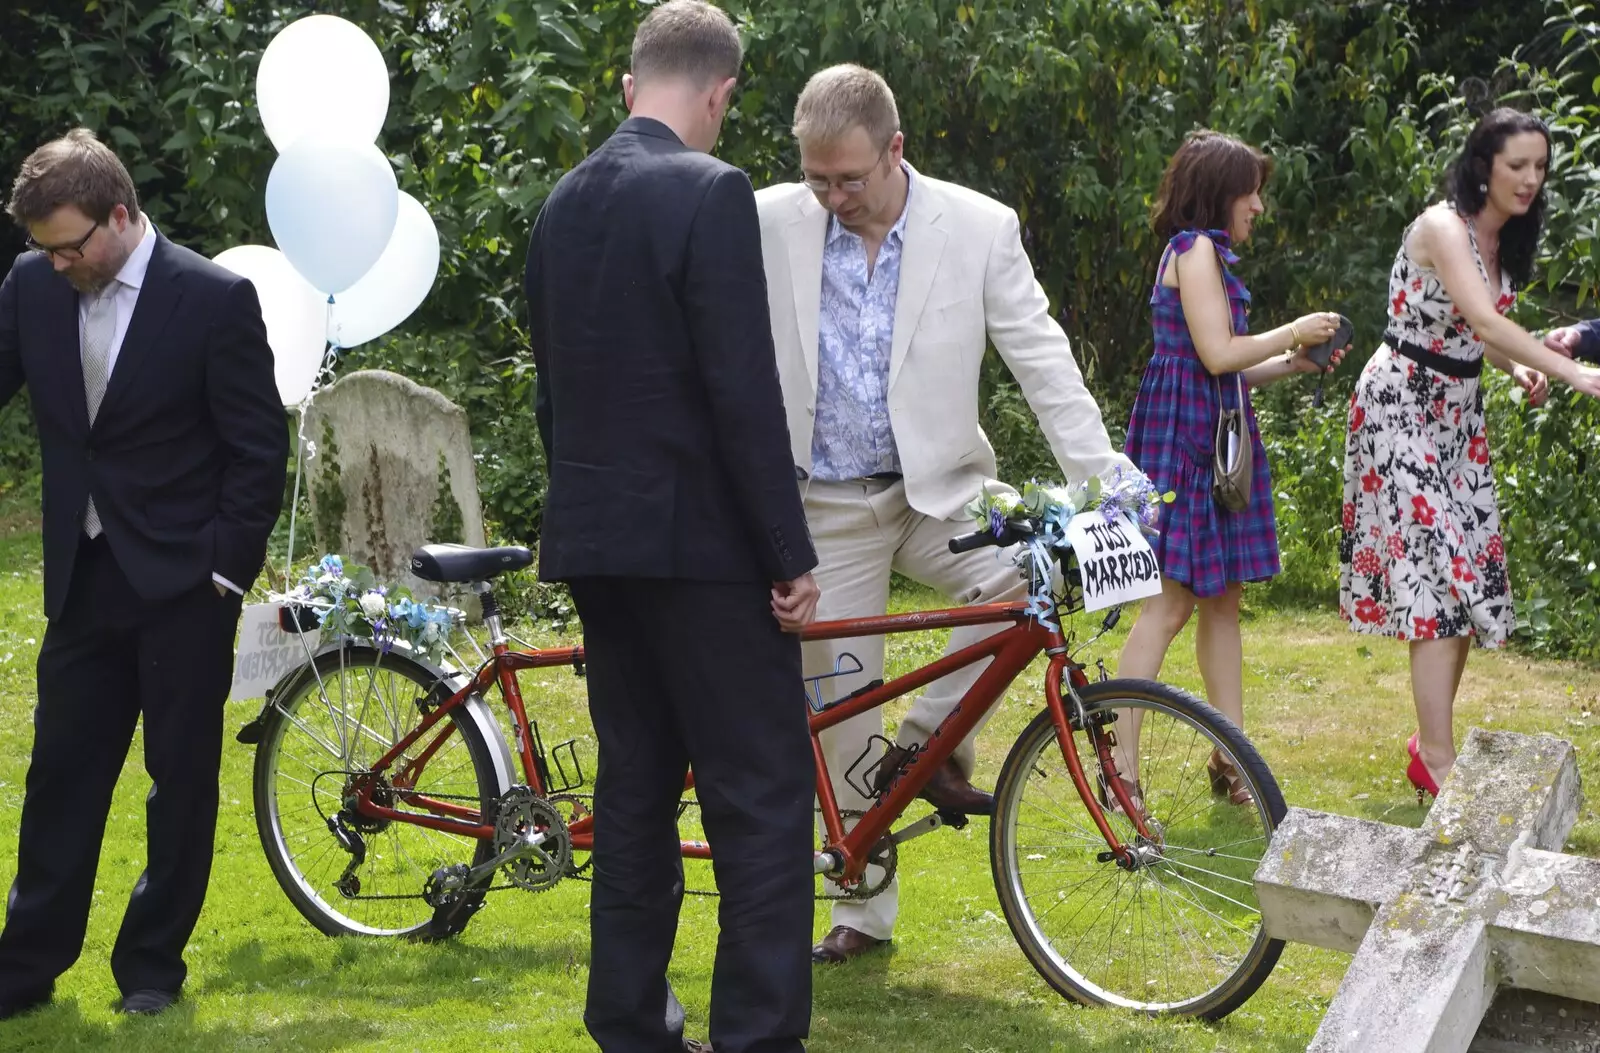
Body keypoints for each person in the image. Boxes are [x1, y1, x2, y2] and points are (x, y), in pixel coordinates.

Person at [753, 63, 1136, 965]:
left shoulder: (977, 226)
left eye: (850, 178)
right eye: (818, 180)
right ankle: (862, 909)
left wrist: (1106, 477)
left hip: (941, 490)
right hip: (824, 507)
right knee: (841, 711)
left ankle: (923, 747)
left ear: (897, 149)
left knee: (1041, 572)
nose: (833, 197)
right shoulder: (766, 220)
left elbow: (1043, 360)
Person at [523, 4, 821, 1051]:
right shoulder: (710, 189)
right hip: (701, 553)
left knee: (637, 789)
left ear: (628, 84)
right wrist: (789, 555)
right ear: (718, 93)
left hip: (599, 543)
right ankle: (756, 1034)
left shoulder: (561, 202)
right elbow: (740, 390)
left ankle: (628, 1027)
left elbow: (551, 392)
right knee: (762, 800)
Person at [0, 129, 287, 1018]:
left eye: (70, 245)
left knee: (180, 781)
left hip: (184, 589)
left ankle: (152, 966)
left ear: (119, 215)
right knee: (60, 776)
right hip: (84, 578)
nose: (57, 264)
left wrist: (224, 575)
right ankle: (25, 968)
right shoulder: (29, 287)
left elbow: (256, 451)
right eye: (43, 249)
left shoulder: (212, 298)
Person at [1340, 108, 1600, 800]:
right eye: (1517, 164)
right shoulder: (1442, 226)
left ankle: (1430, 745)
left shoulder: (1502, 240)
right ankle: (1440, 759)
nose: (1530, 179)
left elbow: (1471, 332)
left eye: (1540, 168)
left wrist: (1518, 369)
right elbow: (1484, 318)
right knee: (1433, 576)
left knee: (1464, 579)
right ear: (1483, 163)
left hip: (1456, 417)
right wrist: (1572, 371)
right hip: (1400, 404)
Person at [1112, 130, 1346, 812]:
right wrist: (1293, 329)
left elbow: (1224, 364)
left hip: (1207, 431)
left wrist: (1290, 363)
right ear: (1221, 191)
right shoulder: (1197, 250)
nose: (1259, 207)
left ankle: (1228, 753)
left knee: (1222, 601)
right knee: (1172, 601)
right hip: (1186, 443)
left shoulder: (1203, 253)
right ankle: (1121, 767)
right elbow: (1217, 354)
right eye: (1252, 192)